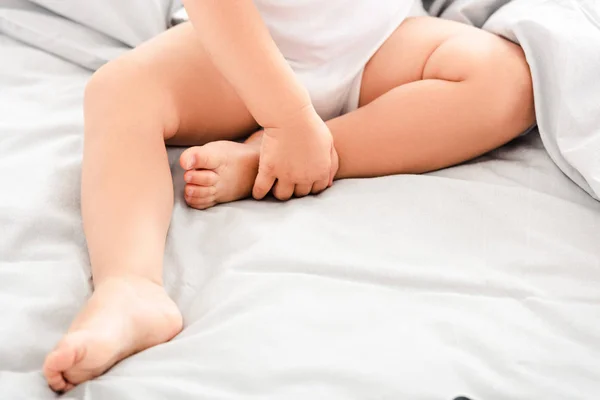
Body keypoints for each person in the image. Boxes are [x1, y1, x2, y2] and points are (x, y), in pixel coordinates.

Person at [42, 0, 535, 392]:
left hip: (378, 43)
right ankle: (130, 286)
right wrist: (286, 114)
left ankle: (274, 159)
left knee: (505, 77)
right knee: (119, 90)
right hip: (242, 55)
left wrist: (297, 128)